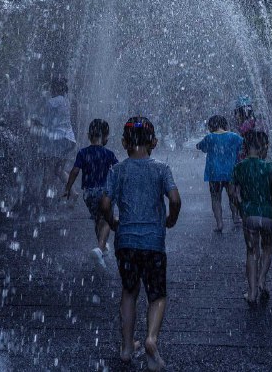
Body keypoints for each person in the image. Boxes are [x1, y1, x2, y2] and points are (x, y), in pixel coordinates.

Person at [101, 117, 181, 371]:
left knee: (129, 291)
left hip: (125, 242)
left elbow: (104, 203)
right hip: (153, 243)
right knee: (156, 294)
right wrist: (170, 218)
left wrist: (113, 222)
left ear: (124, 143)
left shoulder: (118, 170)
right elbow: (175, 199)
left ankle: (126, 347)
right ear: (154, 142)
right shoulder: (161, 169)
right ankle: (150, 339)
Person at [230, 130, 272, 306]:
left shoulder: (239, 167)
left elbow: (232, 193)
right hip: (268, 215)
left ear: (246, 147)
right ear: (263, 147)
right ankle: (262, 279)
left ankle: (252, 292)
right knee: (268, 248)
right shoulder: (270, 167)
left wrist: (241, 207)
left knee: (251, 252)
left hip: (249, 216)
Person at [63, 118, 118, 268]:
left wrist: (68, 188)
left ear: (88, 135)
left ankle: (102, 248)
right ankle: (100, 248)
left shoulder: (82, 153)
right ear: (106, 137)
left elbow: (74, 171)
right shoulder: (108, 154)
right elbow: (119, 171)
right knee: (107, 220)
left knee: (97, 219)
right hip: (104, 192)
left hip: (88, 193)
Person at [196, 114, 244, 232]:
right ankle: (236, 217)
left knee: (216, 198)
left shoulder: (209, 137)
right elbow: (243, 146)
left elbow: (200, 147)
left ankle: (219, 223)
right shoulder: (234, 137)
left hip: (214, 174)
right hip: (231, 173)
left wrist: (199, 145)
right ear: (225, 124)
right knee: (233, 196)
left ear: (211, 126)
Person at [35, 76, 76, 198]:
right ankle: (73, 193)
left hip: (60, 139)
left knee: (49, 167)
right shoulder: (64, 100)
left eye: (51, 87)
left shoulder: (54, 101)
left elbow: (46, 120)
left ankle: (44, 197)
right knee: (58, 169)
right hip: (69, 139)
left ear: (55, 88)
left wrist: (35, 122)